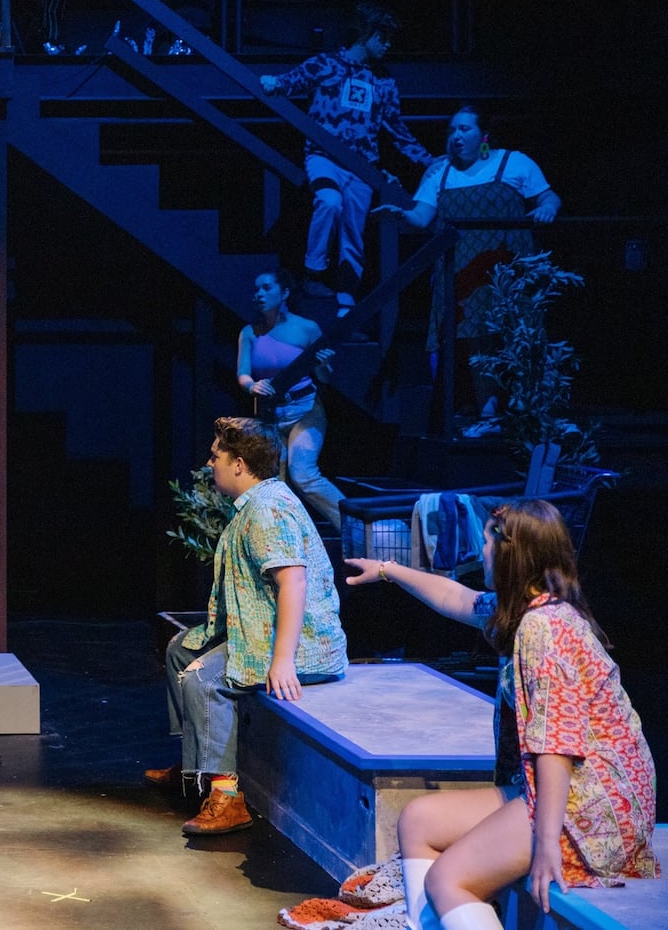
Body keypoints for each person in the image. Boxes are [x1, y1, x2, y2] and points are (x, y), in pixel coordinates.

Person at [346, 500, 657, 930]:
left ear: (514, 554)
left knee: (449, 879)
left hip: (593, 805)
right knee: (419, 819)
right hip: (565, 791)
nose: (483, 547)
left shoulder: (545, 628)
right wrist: (387, 570)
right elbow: (458, 597)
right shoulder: (524, 612)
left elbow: (556, 746)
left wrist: (546, 844)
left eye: (491, 540)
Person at [145, 417, 347, 834]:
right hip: (256, 630)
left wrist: (283, 660)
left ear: (239, 464)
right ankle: (193, 767)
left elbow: (293, 581)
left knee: (205, 681)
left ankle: (226, 795)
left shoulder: (267, 509)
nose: (209, 462)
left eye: (216, 455)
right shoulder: (256, 502)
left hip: (301, 644)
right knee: (180, 648)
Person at [372, 105, 561, 434]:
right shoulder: (439, 172)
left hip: (509, 270)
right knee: (476, 341)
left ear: (482, 134)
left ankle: (529, 409)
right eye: (452, 130)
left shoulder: (512, 162)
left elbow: (549, 197)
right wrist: (400, 214)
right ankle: (488, 413)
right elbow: (421, 217)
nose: (456, 136)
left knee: (519, 334)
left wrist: (546, 208)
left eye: (465, 129)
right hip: (461, 274)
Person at [261, 2, 435, 318]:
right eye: (382, 38)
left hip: (362, 167)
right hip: (324, 157)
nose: (388, 45)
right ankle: (314, 273)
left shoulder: (383, 81)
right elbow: (293, 80)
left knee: (353, 232)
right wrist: (274, 83)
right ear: (366, 34)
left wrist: (427, 161)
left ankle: (345, 300)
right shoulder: (327, 64)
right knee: (329, 202)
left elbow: (396, 128)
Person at [236, 269, 344, 527]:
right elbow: (243, 374)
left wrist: (323, 365)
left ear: (284, 292)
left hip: (305, 410)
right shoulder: (250, 332)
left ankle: (355, 527)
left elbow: (325, 377)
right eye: (256, 289)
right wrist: (253, 386)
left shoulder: (307, 328)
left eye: (266, 288)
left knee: (303, 473)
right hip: (272, 416)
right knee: (277, 484)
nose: (259, 294)